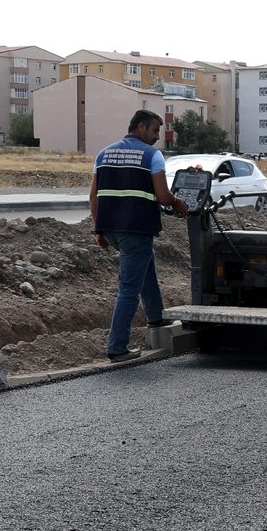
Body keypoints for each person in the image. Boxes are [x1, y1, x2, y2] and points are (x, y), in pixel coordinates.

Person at [89, 110, 189, 362]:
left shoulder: (104, 154)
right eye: (155, 130)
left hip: (111, 228)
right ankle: (117, 347)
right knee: (128, 289)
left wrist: (98, 229)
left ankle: (156, 317)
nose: (158, 137)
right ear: (141, 127)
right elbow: (163, 196)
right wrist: (178, 203)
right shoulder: (152, 155)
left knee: (146, 263)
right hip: (135, 228)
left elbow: (94, 196)